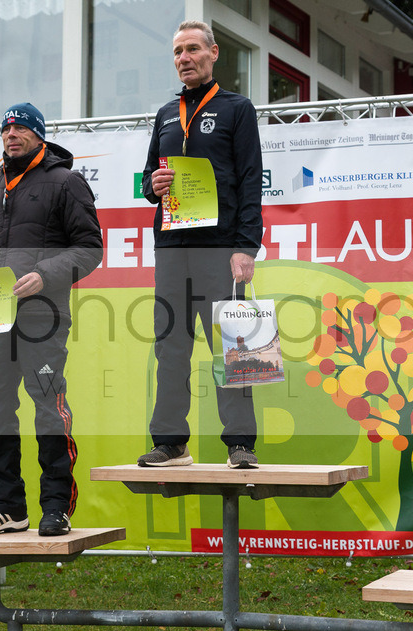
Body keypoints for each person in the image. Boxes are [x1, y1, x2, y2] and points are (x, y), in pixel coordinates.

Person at [0, 102, 102, 537]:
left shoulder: (66, 182)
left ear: (39, 134)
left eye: (21, 127)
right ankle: (7, 507)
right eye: (6, 128)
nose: (12, 134)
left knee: (47, 405)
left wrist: (45, 275)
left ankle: (56, 506)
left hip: (43, 315)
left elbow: (90, 249)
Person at [137, 20, 262, 470]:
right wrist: (153, 184)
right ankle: (171, 443)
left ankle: (240, 444)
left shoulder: (237, 109)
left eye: (192, 49)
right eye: (177, 52)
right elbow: (149, 179)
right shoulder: (165, 114)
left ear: (213, 53)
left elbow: (251, 180)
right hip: (172, 248)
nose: (184, 58)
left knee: (233, 345)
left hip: (220, 249)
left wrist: (246, 246)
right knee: (170, 346)